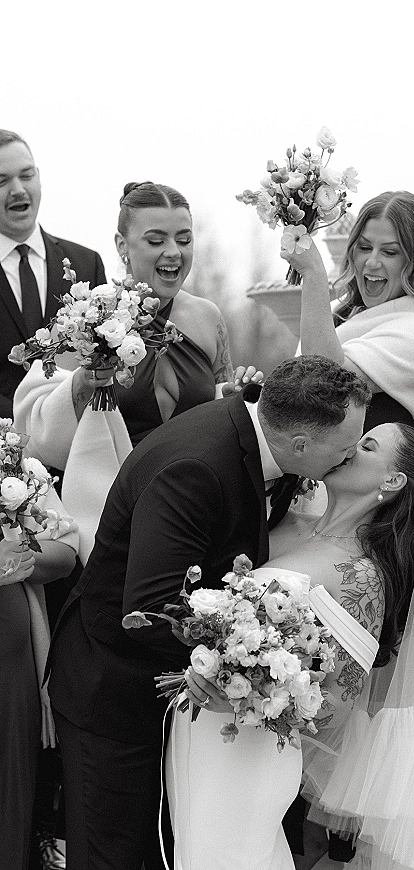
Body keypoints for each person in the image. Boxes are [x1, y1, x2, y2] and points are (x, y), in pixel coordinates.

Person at [47, 355, 371, 870]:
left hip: (162, 696)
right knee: (115, 855)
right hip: (112, 688)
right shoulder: (196, 467)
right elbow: (152, 605)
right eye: (348, 443)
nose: (352, 452)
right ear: (302, 444)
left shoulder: (260, 439)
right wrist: (250, 656)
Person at [165, 423, 414, 869]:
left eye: (367, 446)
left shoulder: (361, 575)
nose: (349, 448)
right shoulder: (285, 524)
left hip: (247, 749)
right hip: (199, 732)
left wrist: (241, 695)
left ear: (393, 480)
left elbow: (335, 704)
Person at [14, 180, 257, 570]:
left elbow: (216, 410)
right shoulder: (89, 318)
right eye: (156, 240)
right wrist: (83, 381)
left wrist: (235, 394)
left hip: (193, 511)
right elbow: (36, 417)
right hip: (112, 514)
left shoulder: (207, 317)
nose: (173, 252)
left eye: (184, 238)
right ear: (122, 245)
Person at [282, 190, 414, 433]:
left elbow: (322, 382)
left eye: (389, 252)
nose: (372, 262)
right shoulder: (341, 314)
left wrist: (313, 275)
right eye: (364, 247)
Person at [0, 129, 106, 419]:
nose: (18, 189)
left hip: (75, 447)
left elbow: (101, 359)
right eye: (2, 181)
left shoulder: (86, 264)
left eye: (27, 175)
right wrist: (25, 431)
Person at [0, 485, 78, 870]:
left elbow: (65, 551)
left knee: (9, 808)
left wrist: (18, 554)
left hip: (11, 671)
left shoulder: (9, 462)